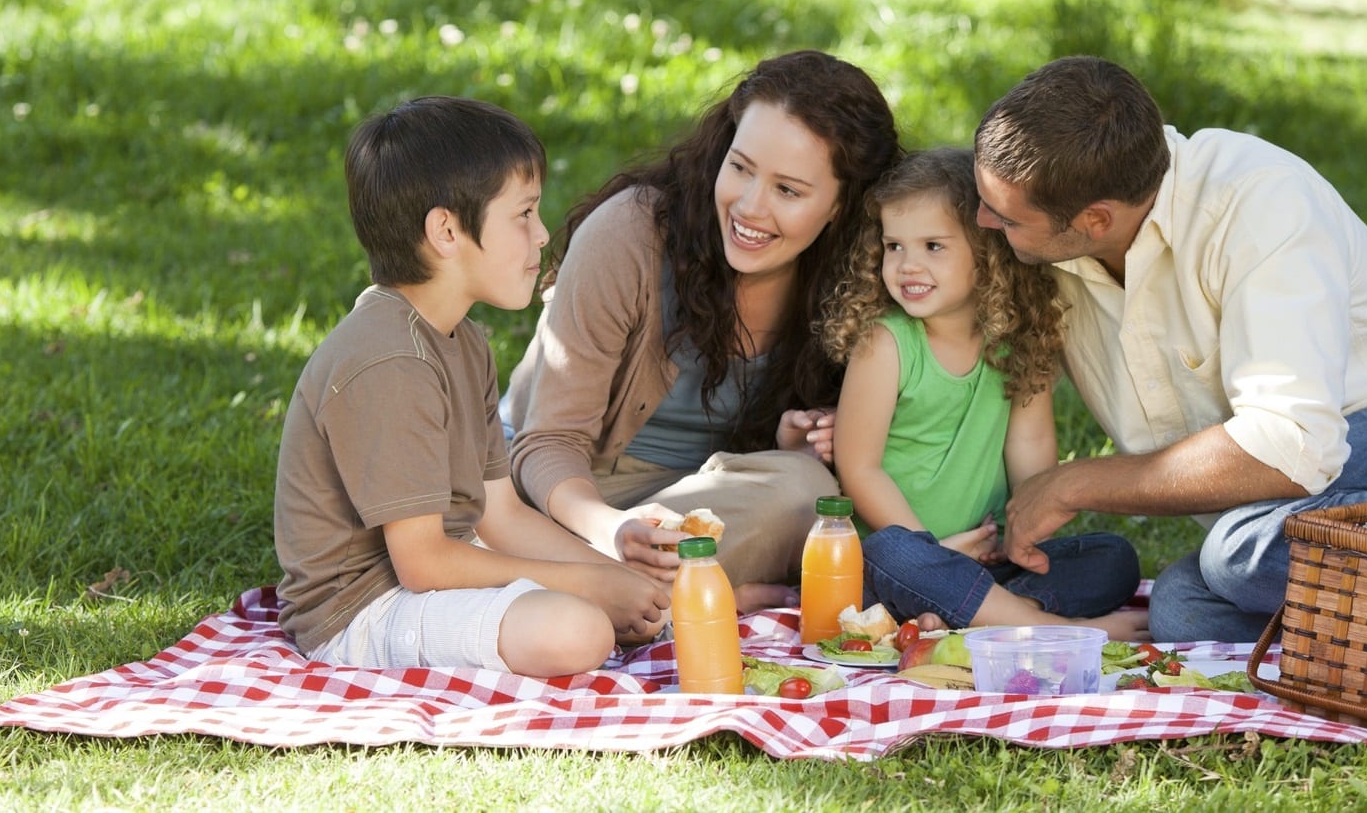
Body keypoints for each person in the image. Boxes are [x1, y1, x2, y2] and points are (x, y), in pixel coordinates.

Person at [972, 56, 1367, 643]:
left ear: (1096, 219)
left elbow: (1291, 445)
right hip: (1295, 496)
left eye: (1006, 217)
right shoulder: (1059, 240)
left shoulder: (1258, 202)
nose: (981, 220)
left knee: (1240, 552)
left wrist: (1075, 482)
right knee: (1186, 611)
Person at [274, 96, 669, 676]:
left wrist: (611, 575)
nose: (541, 236)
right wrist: (589, 585)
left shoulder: (464, 340)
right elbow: (422, 564)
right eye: (524, 214)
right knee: (578, 628)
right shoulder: (390, 360)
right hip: (361, 609)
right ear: (447, 230)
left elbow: (500, 514)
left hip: (444, 569)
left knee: (621, 599)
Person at [504, 50, 902, 610]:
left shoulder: (864, 279)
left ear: (842, 205)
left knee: (805, 491)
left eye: (788, 190)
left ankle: (629, 595)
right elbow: (546, 443)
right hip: (570, 494)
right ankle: (695, 595)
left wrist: (801, 441)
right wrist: (612, 531)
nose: (749, 206)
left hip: (706, 506)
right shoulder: (629, 237)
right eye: (740, 168)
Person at [816, 148, 1147, 639]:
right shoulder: (885, 343)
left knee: (1113, 558)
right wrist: (932, 549)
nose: (907, 264)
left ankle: (984, 614)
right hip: (899, 565)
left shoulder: (1018, 341)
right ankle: (1054, 628)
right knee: (892, 553)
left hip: (986, 560)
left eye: (933, 246)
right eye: (894, 246)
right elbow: (859, 467)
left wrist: (1024, 533)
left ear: (987, 254)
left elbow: (1030, 448)